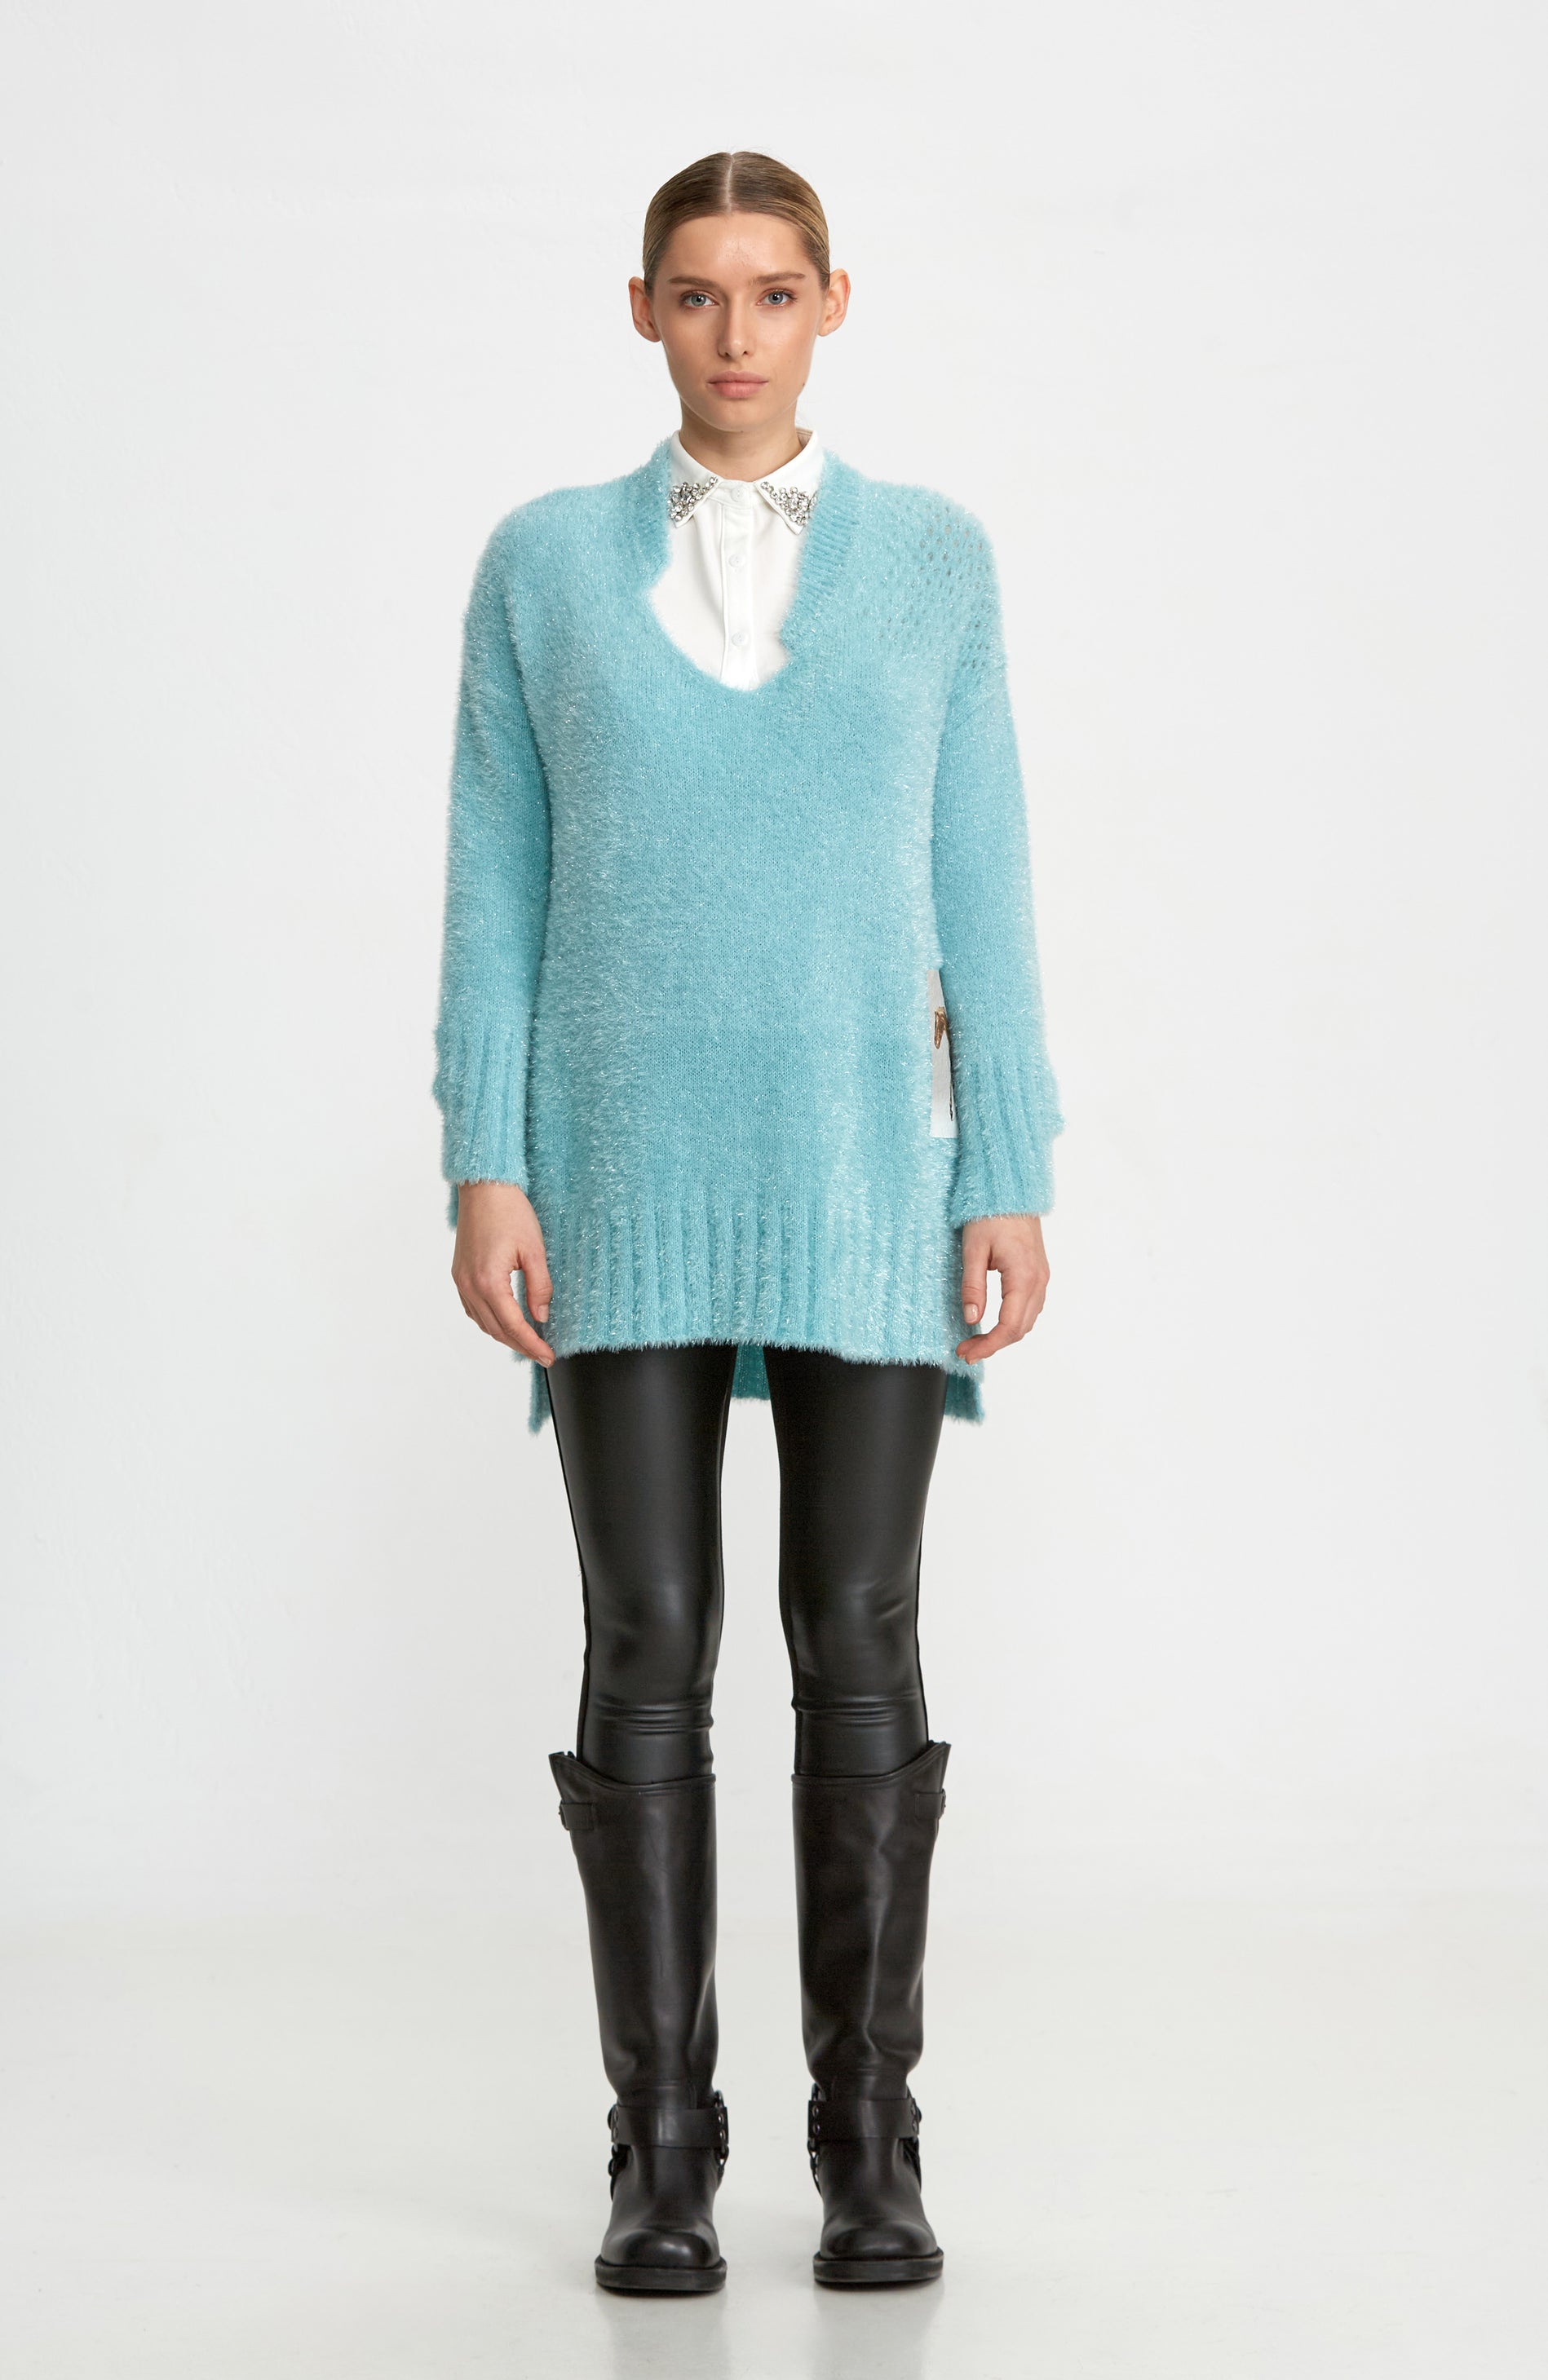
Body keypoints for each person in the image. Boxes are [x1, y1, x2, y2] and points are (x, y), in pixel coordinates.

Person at [432, 150, 1062, 2295]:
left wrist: (1007, 1160)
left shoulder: (934, 563)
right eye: (696, 294)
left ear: (830, 306)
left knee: (859, 1638)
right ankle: (664, 2152)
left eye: (771, 293)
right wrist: (485, 1156)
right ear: (642, 310)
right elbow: (495, 879)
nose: (733, 333)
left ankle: (868, 2146)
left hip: (864, 1163)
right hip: (615, 1170)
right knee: (645, 1644)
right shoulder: (538, 568)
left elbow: (981, 869)